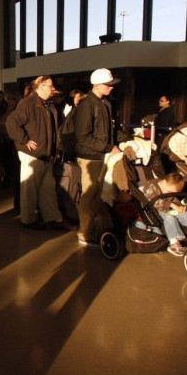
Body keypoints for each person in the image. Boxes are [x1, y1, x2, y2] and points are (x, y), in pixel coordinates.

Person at [6, 75, 69, 230]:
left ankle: (52, 218)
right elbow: (11, 122)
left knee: (47, 189)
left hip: (45, 154)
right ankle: (28, 220)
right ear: (40, 87)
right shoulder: (28, 104)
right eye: (50, 85)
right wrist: (25, 140)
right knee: (30, 189)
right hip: (33, 154)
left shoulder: (48, 105)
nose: (53, 89)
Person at [74, 68, 121, 246]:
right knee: (89, 196)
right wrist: (109, 147)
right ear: (96, 85)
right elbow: (83, 136)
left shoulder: (104, 104)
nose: (111, 88)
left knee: (97, 195)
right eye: (107, 85)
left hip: (100, 155)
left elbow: (110, 131)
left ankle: (97, 229)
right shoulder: (87, 105)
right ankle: (84, 234)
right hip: (90, 157)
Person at [139, 172, 187, 256]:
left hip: (168, 209)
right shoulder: (151, 185)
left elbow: (173, 198)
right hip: (155, 210)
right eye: (169, 191)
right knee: (170, 218)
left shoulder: (169, 186)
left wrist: (180, 207)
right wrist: (173, 205)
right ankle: (174, 243)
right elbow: (155, 202)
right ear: (165, 182)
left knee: (185, 214)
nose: (169, 192)